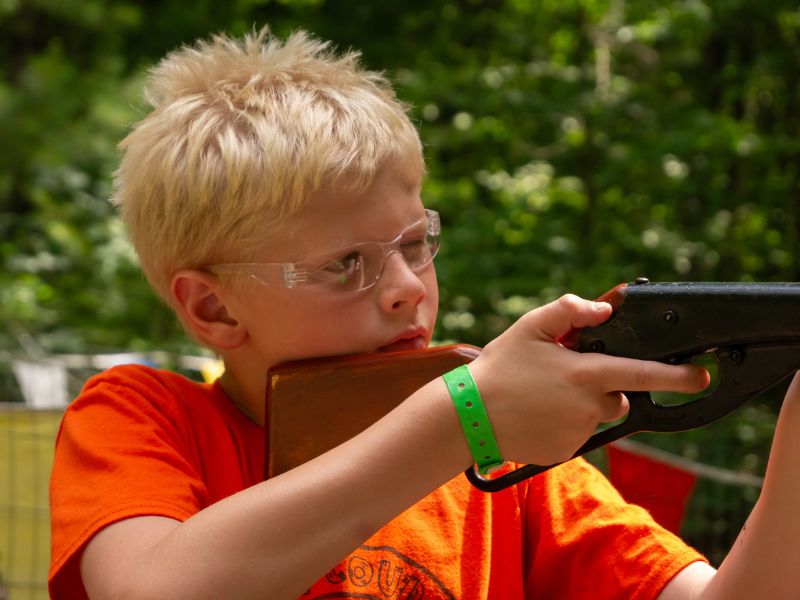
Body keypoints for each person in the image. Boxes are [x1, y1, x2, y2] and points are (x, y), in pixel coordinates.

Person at [48, 27, 800, 600]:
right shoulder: (146, 416)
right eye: (348, 264)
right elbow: (156, 589)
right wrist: (464, 418)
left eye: (416, 243)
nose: (409, 286)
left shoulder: (509, 455)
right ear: (212, 307)